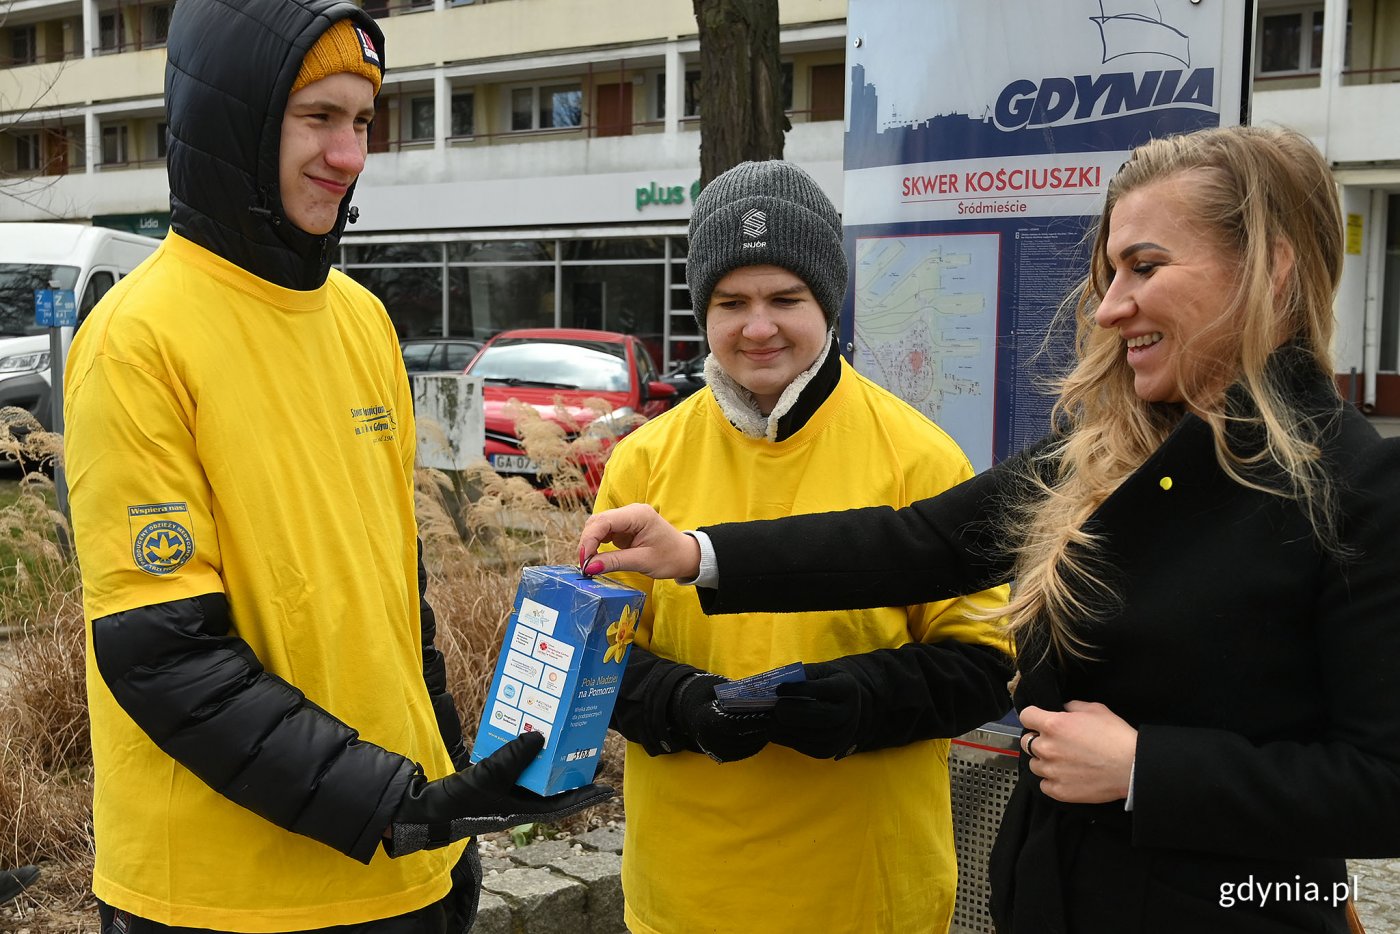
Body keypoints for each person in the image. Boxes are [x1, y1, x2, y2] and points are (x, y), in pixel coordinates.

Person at [580, 125, 1400, 933]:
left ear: (1271, 267)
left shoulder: (1356, 487)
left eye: (1144, 268)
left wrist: (1149, 769)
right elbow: (914, 545)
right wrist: (696, 556)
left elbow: (1382, 786)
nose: (1111, 307)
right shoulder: (1101, 454)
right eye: (1110, 272)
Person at [64, 2, 607, 932]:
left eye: (362, 122)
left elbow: (402, 601)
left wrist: (446, 810)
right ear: (236, 116)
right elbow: (164, 655)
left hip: (402, 870)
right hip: (220, 896)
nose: (349, 155)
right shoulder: (137, 337)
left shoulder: (361, 320)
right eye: (318, 117)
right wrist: (392, 805)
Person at [592, 160, 1013, 934]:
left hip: (869, 893)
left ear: (827, 300)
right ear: (702, 311)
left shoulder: (920, 457)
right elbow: (596, 659)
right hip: (687, 894)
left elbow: (984, 667)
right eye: (732, 302)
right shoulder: (642, 461)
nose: (759, 326)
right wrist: (682, 706)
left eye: (786, 299)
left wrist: (863, 704)